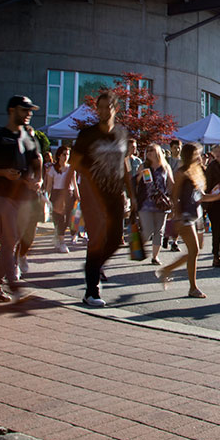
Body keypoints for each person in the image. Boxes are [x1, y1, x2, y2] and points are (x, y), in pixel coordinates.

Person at [71, 91, 135, 308]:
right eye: (99, 107)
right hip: (93, 195)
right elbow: (75, 163)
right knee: (97, 240)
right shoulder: (87, 134)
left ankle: (94, 266)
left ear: (116, 109)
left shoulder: (121, 134)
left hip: (115, 194)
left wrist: (131, 195)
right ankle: (91, 291)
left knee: (116, 239)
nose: (103, 111)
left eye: (107, 107)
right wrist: (84, 188)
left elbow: (125, 165)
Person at [0, 97, 43, 303]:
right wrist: (3, 172)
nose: (29, 113)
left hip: (22, 196)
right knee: (10, 238)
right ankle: (15, 284)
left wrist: (38, 180)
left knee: (11, 242)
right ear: (12, 110)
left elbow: (38, 160)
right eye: (25, 110)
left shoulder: (28, 137)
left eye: (31, 110)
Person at [158, 142, 220, 298]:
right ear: (190, 156)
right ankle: (192, 287)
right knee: (194, 250)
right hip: (185, 215)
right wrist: (177, 215)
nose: (200, 157)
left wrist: (218, 196)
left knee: (196, 250)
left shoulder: (198, 171)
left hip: (197, 213)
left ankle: (167, 270)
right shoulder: (182, 172)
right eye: (197, 154)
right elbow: (174, 194)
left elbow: (201, 196)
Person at [135, 143, 172, 265]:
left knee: (159, 231)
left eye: (152, 150)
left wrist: (173, 200)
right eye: (148, 150)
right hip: (146, 203)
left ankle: (155, 257)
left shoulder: (165, 167)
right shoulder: (143, 166)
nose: (149, 152)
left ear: (158, 152)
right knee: (148, 229)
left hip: (161, 203)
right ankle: (136, 246)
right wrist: (139, 175)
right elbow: (135, 183)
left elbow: (171, 184)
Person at [45, 145, 79, 254]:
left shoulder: (71, 169)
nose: (66, 157)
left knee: (67, 218)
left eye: (68, 154)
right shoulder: (52, 169)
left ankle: (60, 236)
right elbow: (49, 185)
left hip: (68, 194)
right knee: (59, 218)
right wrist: (47, 198)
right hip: (57, 194)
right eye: (64, 154)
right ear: (59, 155)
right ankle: (61, 241)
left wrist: (78, 196)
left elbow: (74, 184)